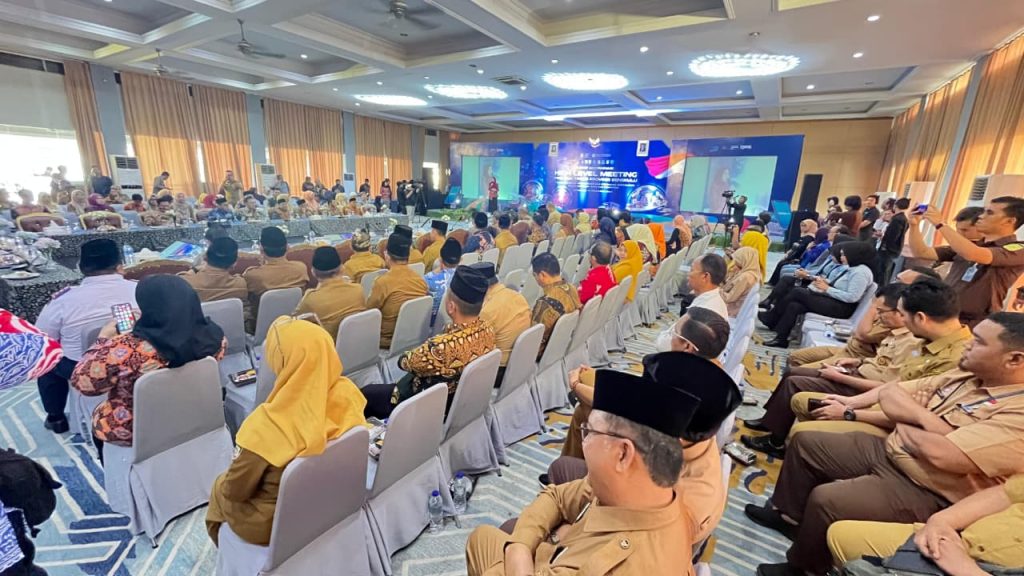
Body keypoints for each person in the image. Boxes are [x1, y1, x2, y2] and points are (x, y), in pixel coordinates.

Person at [746, 312, 1024, 576]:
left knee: (827, 500)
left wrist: (911, 416)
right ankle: (790, 518)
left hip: (930, 487)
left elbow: (941, 455)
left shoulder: (1017, 413)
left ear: (1014, 359)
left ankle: (803, 568)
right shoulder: (966, 375)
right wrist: (925, 421)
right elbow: (892, 392)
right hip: (896, 448)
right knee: (809, 444)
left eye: (979, 342)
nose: (968, 345)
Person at [465, 365, 702, 576]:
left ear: (622, 453)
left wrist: (540, 543)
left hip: (549, 563)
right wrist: (519, 547)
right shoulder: (644, 492)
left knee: (486, 546)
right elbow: (556, 496)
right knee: (484, 537)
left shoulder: (617, 564)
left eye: (589, 432)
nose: (584, 441)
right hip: (554, 555)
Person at [742, 279, 971, 458]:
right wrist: (855, 376)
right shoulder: (926, 339)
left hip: (886, 413)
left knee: (798, 392)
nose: (901, 320)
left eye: (903, 315)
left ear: (919, 318)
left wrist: (849, 407)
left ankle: (779, 441)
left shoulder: (953, 357)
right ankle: (775, 428)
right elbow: (891, 381)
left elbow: (896, 394)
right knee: (796, 375)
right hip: (868, 389)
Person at [551, 349, 739, 550]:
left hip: (617, 540)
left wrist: (564, 535)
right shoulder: (691, 433)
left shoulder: (677, 502)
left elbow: (619, 541)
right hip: (619, 512)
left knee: (561, 472)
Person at [206, 318, 367, 546]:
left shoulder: (265, 426)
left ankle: (228, 553)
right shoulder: (349, 394)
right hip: (331, 500)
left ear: (281, 361)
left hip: (276, 522)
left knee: (219, 487)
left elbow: (235, 491)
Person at [71, 276, 226, 462]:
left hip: (134, 429)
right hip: (193, 414)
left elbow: (85, 384)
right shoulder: (215, 337)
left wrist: (102, 339)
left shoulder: (124, 349)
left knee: (100, 412)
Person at [34, 239, 138, 434]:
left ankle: (56, 417)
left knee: (47, 359)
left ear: (80, 268)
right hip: (132, 359)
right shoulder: (138, 289)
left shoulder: (63, 300)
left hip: (78, 367)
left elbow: (42, 337)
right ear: (120, 265)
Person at [363, 265, 495, 418]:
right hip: (456, 402)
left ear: (451, 307)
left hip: (419, 403)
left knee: (366, 394)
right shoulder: (488, 330)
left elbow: (404, 362)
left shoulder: (439, 348)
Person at [828, 474, 1024, 573]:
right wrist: (942, 521)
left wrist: (967, 571)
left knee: (827, 500)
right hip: (957, 541)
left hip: (978, 567)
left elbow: (943, 450)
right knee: (841, 534)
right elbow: (1005, 493)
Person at [786, 266, 942, 368]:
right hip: (847, 349)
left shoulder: (899, 317)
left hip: (857, 358)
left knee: (798, 373)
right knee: (795, 357)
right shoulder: (889, 304)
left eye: (899, 281)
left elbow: (861, 333)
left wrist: (875, 305)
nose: (893, 282)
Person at [908, 197, 1024, 327]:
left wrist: (940, 224)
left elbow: (975, 254)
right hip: (943, 313)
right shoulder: (972, 245)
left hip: (973, 322)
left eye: (989, 213)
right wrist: (914, 226)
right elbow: (922, 252)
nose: (981, 216)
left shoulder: (1018, 249)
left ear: (1009, 221)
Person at [760, 241, 877, 348]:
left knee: (797, 292)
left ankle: (772, 317)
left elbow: (852, 297)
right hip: (833, 300)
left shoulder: (861, 273)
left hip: (841, 308)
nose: (841, 257)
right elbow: (841, 286)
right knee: (795, 306)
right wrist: (825, 283)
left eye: (843, 255)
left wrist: (827, 289)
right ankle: (781, 338)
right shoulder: (853, 268)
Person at [366, 228, 430, 349]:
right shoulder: (421, 281)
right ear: (408, 256)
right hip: (411, 337)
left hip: (386, 341)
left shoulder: (382, 282)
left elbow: (369, 312)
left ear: (386, 255)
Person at [293, 247, 366, 341]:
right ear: (342, 268)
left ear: (313, 272)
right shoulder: (358, 290)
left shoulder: (311, 299)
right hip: (357, 341)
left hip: (329, 346)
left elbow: (295, 322)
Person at [475, 262, 530, 384]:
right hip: (519, 363)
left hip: (499, 370)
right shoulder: (518, 296)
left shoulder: (488, 311)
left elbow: (478, 351)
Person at [243, 227, 310, 317]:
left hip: (264, 324)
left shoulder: (252, 275)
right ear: (287, 247)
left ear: (261, 249)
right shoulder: (301, 268)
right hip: (293, 320)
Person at [531, 252, 581, 357]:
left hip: (546, 354)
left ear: (542, 275)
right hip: (565, 345)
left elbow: (535, 339)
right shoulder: (572, 288)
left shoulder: (545, 303)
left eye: (534, 275)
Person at [179, 237, 249, 307]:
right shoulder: (241, 285)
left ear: (205, 257)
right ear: (234, 263)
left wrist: (194, 269)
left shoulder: (186, 283)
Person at [768, 219, 818, 285]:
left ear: (810, 227)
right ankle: (773, 282)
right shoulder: (803, 236)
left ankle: (776, 283)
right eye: (801, 225)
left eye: (805, 226)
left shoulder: (809, 238)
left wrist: (790, 256)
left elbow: (801, 250)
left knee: (782, 264)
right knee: (781, 262)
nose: (802, 227)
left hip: (798, 258)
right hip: (793, 256)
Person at [425, 238, 461, 325]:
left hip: (430, 325)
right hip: (455, 323)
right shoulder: (463, 278)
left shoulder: (428, 279)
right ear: (460, 260)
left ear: (440, 259)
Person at [876, 197, 911, 284]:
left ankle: (881, 289)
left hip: (888, 249)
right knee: (886, 271)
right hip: (895, 248)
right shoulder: (904, 219)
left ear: (895, 206)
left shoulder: (896, 219)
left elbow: (893, 236)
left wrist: (884, 240)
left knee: (883, 272)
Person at [685, 253, 729, 319]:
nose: (688, 274)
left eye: (691, 270)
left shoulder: (704, 311)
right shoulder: (710, 299)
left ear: (705, 276)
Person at [722, 246, 762, 317]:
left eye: (738, 259)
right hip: (738, 309)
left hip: (731, 310)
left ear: (744, 259)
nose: (735, 262)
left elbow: (729, 298)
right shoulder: (753, 273)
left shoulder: (745, 277)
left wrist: (715, 289)